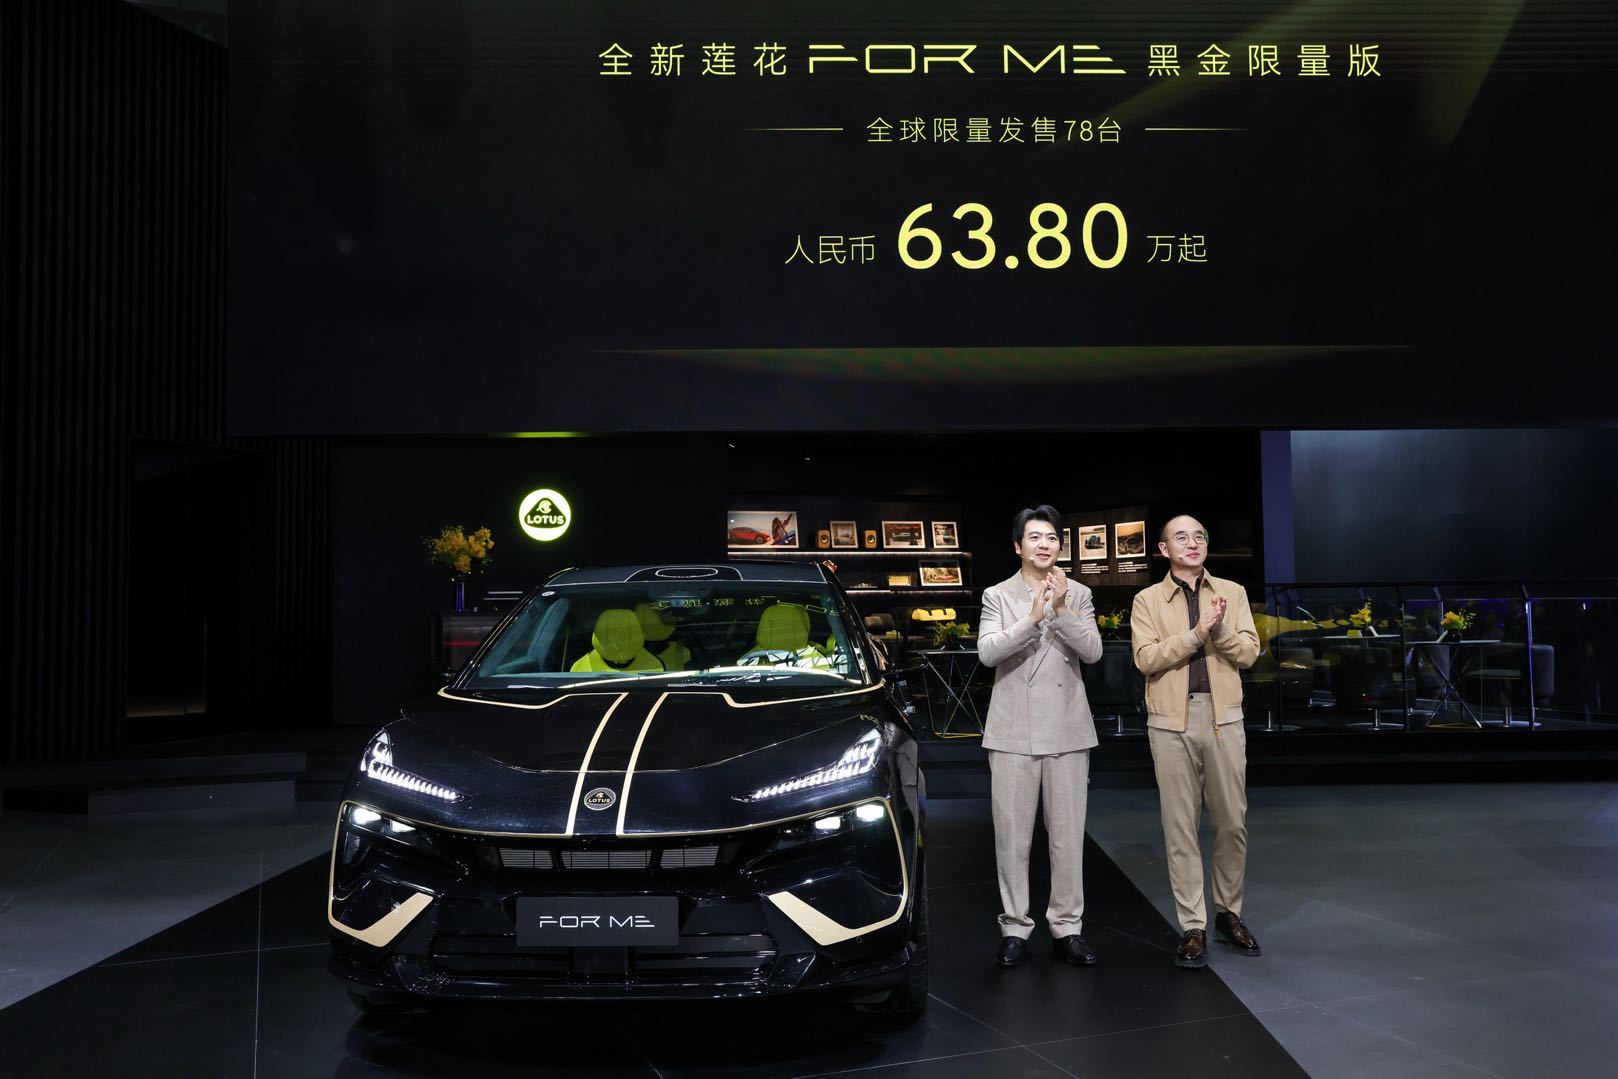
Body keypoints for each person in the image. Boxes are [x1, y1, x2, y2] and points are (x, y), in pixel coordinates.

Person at [1130, 515, 1262, 969]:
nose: (1193, 542)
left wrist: (1218, 628)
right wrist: (1196, 634)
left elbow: (1249, 653)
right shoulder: (1147, 599)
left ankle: (1229, 913)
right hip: (1170, 722)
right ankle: (1193, 925)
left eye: (1199, 536)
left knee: (1232, 822)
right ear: (1163, 550)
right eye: (1181, 537)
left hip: (1224, 718)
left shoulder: (1232, 593)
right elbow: (1146, 659)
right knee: (1180, 826)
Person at [977, 505, 1104, 968]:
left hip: (1068, 729)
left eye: (1051, 537)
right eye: (1034, 537)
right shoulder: (997, 595)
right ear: (1018, 546)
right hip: (1012, 730)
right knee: (1012, 839)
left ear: (1060, 546)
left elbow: (1093, 651)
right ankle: (1014, 926)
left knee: (1067, 839)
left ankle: (1068, 927)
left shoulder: (1079, 593)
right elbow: (988, 653)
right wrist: (1031, 619)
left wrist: (1062, 608)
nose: (1044, 544)